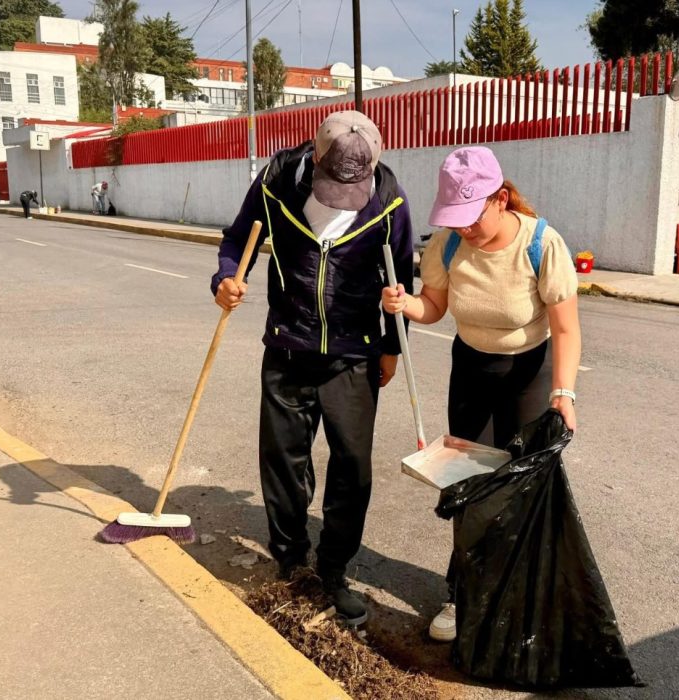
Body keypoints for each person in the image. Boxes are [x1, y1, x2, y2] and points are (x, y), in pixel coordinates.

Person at [212, 110, 414, 627]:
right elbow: (239, 239)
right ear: (315, 155)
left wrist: (392, 344)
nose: (344, 196)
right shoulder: (278, 180)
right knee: (282, 461)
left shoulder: (388, 198)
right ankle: (291, 562)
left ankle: (333, 571)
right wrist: (227, 277)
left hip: (354, 352)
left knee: (353, 468)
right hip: (289, 343)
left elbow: (399, 280)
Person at [380, 146, 582, 643]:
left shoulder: (541, 244)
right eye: (457, 219)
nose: (465, 228)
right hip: (471, 368)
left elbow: (566, 329)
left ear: (502, 199)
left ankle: (517, 594)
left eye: (473, 217)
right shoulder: (447, 246)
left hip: (528, 373)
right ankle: (462, 591)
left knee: (520, 485)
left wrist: (563, 392)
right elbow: (434, 309)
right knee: (468, 485)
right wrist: (406, 304)